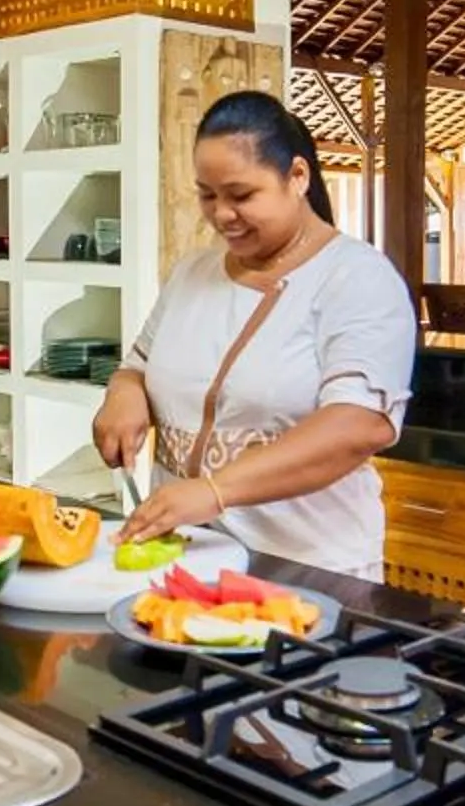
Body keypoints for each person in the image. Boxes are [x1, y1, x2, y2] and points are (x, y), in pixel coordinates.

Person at [99, 91, 417, 579]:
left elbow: (359, 425)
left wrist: (215, 490)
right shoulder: (192, 274)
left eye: (241, 195)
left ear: (297, 177)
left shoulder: (358, 278)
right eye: (207, 194)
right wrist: (124, 394)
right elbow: (139, 367)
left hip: (307, 570)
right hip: (188, 560)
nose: (221, 213)